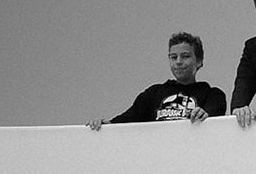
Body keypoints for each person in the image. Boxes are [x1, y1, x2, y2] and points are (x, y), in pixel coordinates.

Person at [87, 32, 226, 129]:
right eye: (173, 57)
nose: (178, 62)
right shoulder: (154, 93)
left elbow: (215, 116)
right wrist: (106, 125)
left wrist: (205, 114)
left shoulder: (212, 95)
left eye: (185, 56)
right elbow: (129, 118)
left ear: (199, 61)